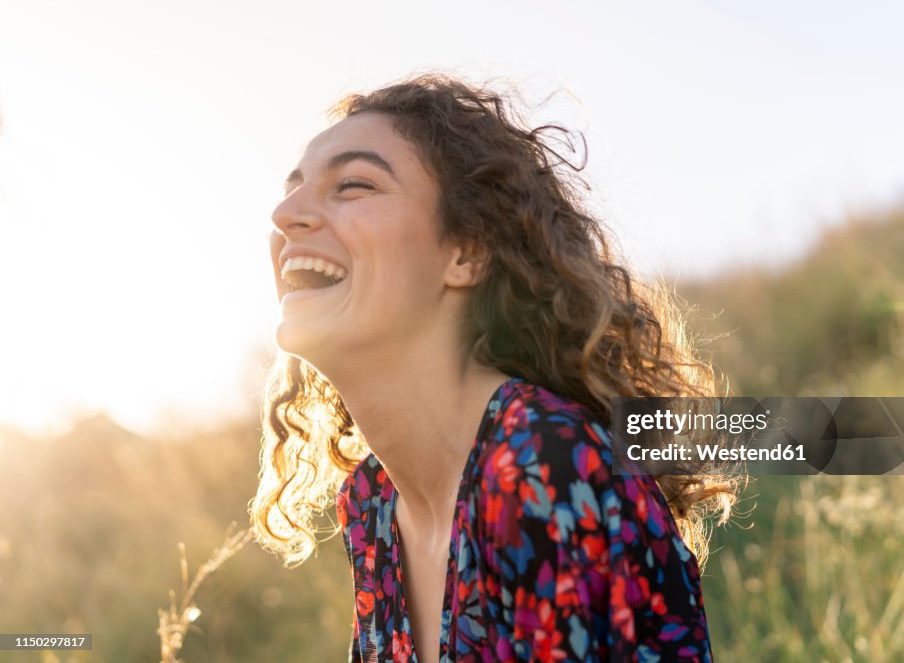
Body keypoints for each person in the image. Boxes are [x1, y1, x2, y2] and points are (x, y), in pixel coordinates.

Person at [251, 74, 737, 662]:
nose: (285, 213)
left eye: (353, 186)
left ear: (466, 252)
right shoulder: (372, 501)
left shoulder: (543, 462)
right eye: (292, 189)